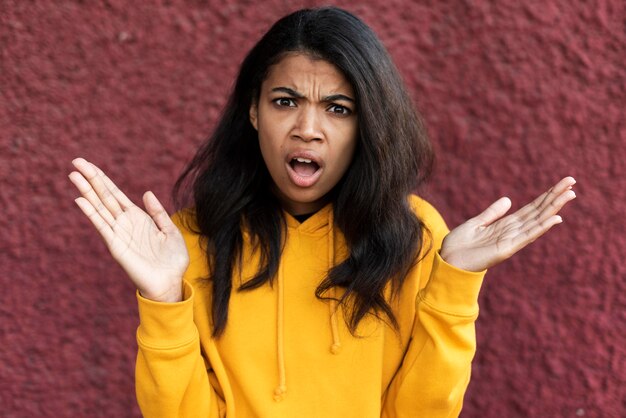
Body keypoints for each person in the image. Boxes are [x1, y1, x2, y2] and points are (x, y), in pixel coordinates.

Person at [68, 6, 576, 418]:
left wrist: (457, 281)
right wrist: (162, 298)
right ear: (253, 110)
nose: (308, 128)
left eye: (338, 108)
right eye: (285, 101)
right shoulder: (187, 242)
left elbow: (423, 413)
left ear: (367, 123)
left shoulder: (415, 235)